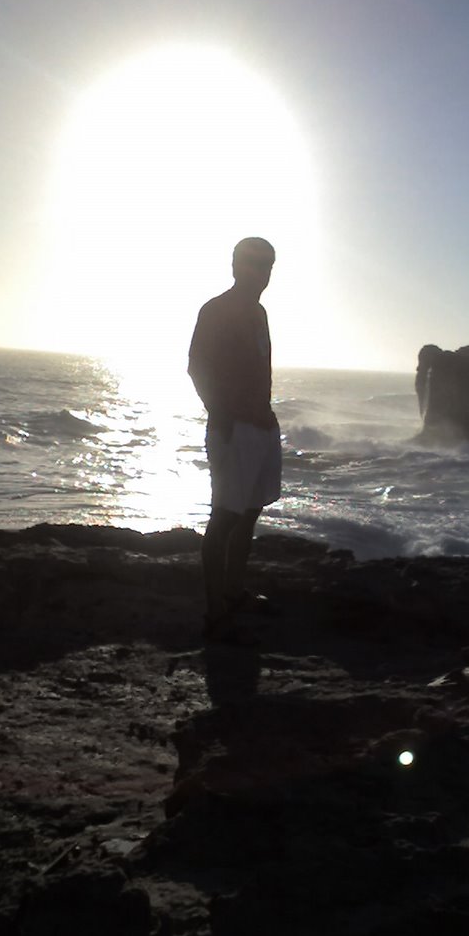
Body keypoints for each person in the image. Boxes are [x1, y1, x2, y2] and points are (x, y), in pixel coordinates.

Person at [188, 237, 281, 641]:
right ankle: (214, 611)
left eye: (267, 265)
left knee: (250, 511)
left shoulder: (259, 313)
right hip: (233, 429)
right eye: (253, 262)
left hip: (261, 427)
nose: (260, 272)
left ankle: (234, 591)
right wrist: (221, 416)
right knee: (225, 516)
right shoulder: (217, 310)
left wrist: (267, 417)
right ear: (234, 265)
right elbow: (197, 367)